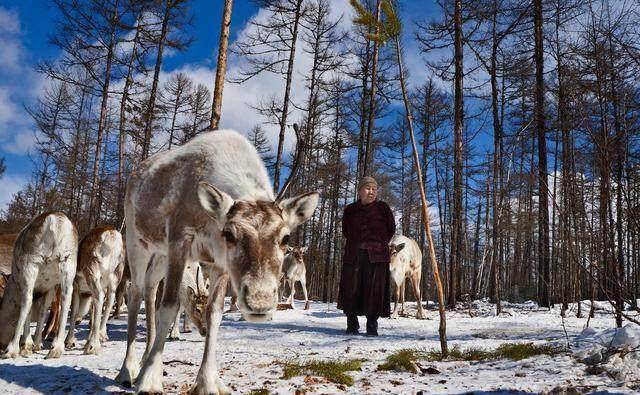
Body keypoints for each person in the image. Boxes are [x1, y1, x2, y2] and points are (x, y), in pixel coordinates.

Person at [337, 176, 395, 336]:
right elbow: (346, 231)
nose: (371, 192)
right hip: (354, 254)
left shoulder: (383, 208)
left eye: (374, 189)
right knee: (351, 288)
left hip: (377, 257)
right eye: (368, 188)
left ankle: (372, 326)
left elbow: (391, 229)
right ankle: (352, 324)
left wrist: (378, 244)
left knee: (374, 291)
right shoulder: (350, 210)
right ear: (360, 190)